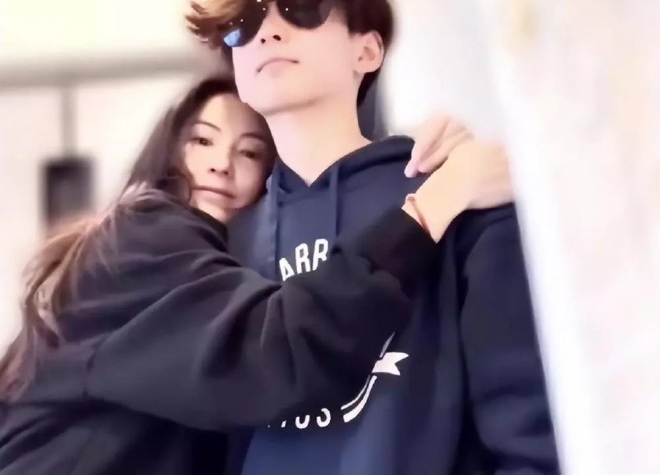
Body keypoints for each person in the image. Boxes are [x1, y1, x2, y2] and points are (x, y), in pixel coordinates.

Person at [0, 75, 513, 475]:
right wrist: (435, 201)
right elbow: (274, 351)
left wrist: (401, 158)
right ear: (166, 151)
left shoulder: (217, 263)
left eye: (249, 152)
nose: (221, 165)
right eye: (201, 141)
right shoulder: (139, 237)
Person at [186, 0, 559, 475]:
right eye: (245, 23)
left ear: (367, 51)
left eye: (302, 7)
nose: (267, 30)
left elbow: (531, 437)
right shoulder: (225, 243)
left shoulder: (462, 192)